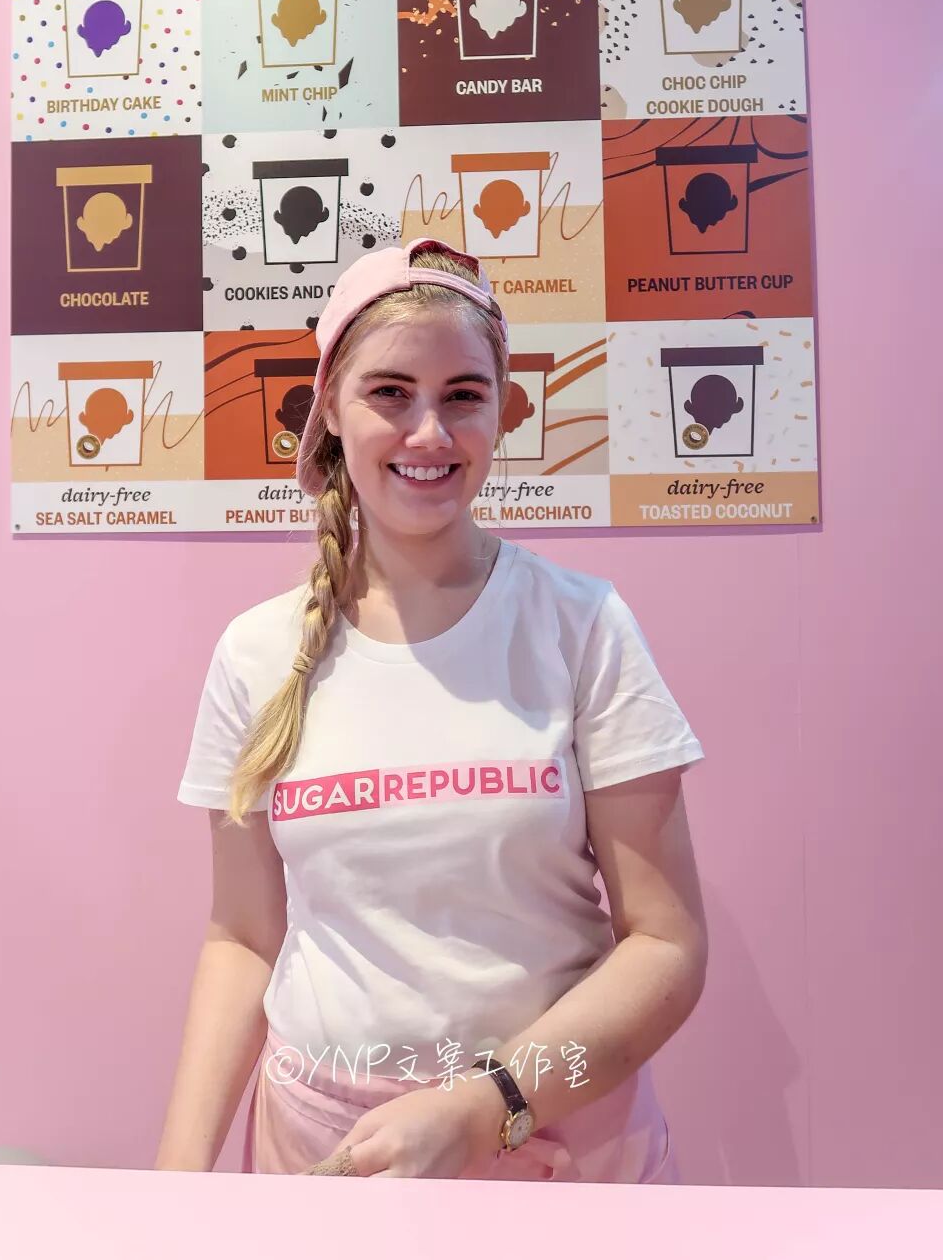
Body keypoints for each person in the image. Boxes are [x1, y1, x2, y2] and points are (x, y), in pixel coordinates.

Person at [157, 237, 707, 1182]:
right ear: (330, 408)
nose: (428, 433)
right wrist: (175, 1184)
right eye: (389, 392)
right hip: (325, 1151)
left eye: (462, 394)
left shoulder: (582, 627)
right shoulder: (255, 654)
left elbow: (666, 943)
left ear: (499, 408)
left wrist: (485, 1106)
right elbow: (244, 939)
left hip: (554, 1135)